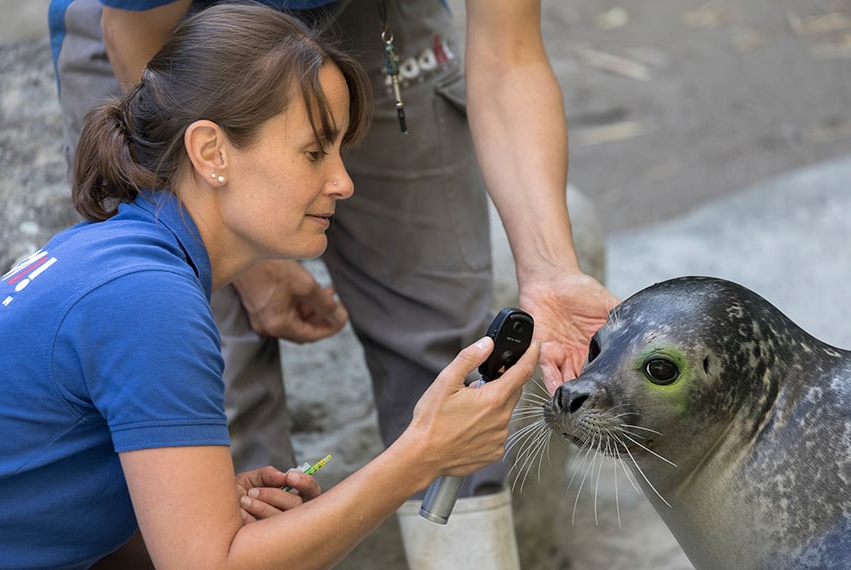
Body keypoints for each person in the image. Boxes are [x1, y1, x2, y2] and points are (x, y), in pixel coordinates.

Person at [48, 0, 620, 565]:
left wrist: (549, 268)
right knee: (224, 406)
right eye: (317, 153)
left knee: (449, 354)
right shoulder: (151, 301)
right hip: (165, 36)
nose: (345, 184)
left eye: (340, 152)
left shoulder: (123, 280)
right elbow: (206, 560)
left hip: (370, 26)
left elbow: (509, 52)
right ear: (209, 152)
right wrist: (249, 259)